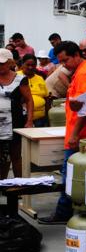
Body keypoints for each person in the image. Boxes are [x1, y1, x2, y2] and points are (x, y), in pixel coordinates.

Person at [38, 41, 86, 224]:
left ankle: (63, 213)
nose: (63, 65)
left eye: (65, 60)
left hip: (81, 134)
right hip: (80, 132)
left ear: (76, 55)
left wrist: (75, 134)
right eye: (61, 61)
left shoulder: (85, 73)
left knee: (69, 175)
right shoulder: (84, 69)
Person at [0, 49, 33, 179]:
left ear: (11, 63)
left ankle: (19, 185)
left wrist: (29, 121)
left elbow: (29, 100)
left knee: (15, 155)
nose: (0, 66)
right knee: (2, 156)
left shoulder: (20, 79)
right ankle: (2, 184)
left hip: (15, 122)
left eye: (3, 63)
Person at [17, 54, 49, 127]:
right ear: (22, 64)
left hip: (40, 118)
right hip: (22, 118)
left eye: (33, 65)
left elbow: (46, 97)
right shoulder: (16, 77)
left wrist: (47, 116)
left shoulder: (40, 78)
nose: (30, 67)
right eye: (28, 65)